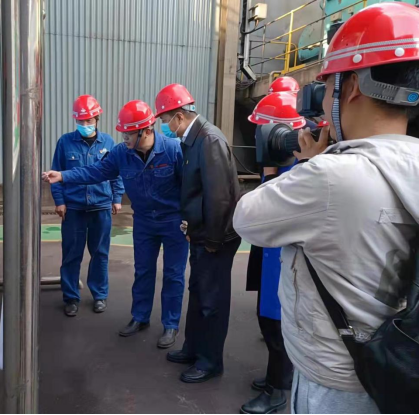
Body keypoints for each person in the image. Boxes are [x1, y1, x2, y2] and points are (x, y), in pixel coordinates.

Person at [234, 3, 419, 413]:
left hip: (336, 380)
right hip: (397, 369)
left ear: (352, 87)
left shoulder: (330, 177)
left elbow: (247, 218)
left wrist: (311, 164)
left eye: (326, 87)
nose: (322, 103)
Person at [43, 100, 189, 348]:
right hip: (144, 221)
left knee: (173, 274)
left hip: (173, 221)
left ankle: (170, 324)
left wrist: (191, 218)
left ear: (146, 130)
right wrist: (63, 176)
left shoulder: (174, 150)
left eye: (129, 134)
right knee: (143, 271)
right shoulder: (122, 153)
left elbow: (190, 186)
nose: (124, 138)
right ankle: (140, 317)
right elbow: (95, 172)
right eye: (123, 133)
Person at [155, 83, 241, 383]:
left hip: (215, 237)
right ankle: (193, 348)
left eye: (165, 120)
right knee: (198, 293)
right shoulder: (193, 140)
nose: (165, 127)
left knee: (211, 300)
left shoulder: (209, 140)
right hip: (201, 234)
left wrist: (213, 240)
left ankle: (210, 361)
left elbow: (220, 197)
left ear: (179, 116)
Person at [241, 86, 316, 414]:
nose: (258, 136)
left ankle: (277, 390)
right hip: (271, 259)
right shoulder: (278, 165)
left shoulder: (301, 170)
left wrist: (270, 177)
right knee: (268, 321)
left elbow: (267, 212)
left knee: (280, 327)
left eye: (262, 129)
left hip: (288, 263)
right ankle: (276, 376)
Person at [50, 95, 124, 317]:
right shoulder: (65, 142)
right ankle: (71, 297)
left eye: (89, 120)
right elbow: (56, 173)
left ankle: (99, 295)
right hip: (74, 208)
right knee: (71, 254)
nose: (85, 124)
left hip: (101, 206)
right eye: (81, 121)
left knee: (100, 253)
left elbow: (116, 172)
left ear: (97, 118)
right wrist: (59, 201)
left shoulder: (108, 143)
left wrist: (117, 197)